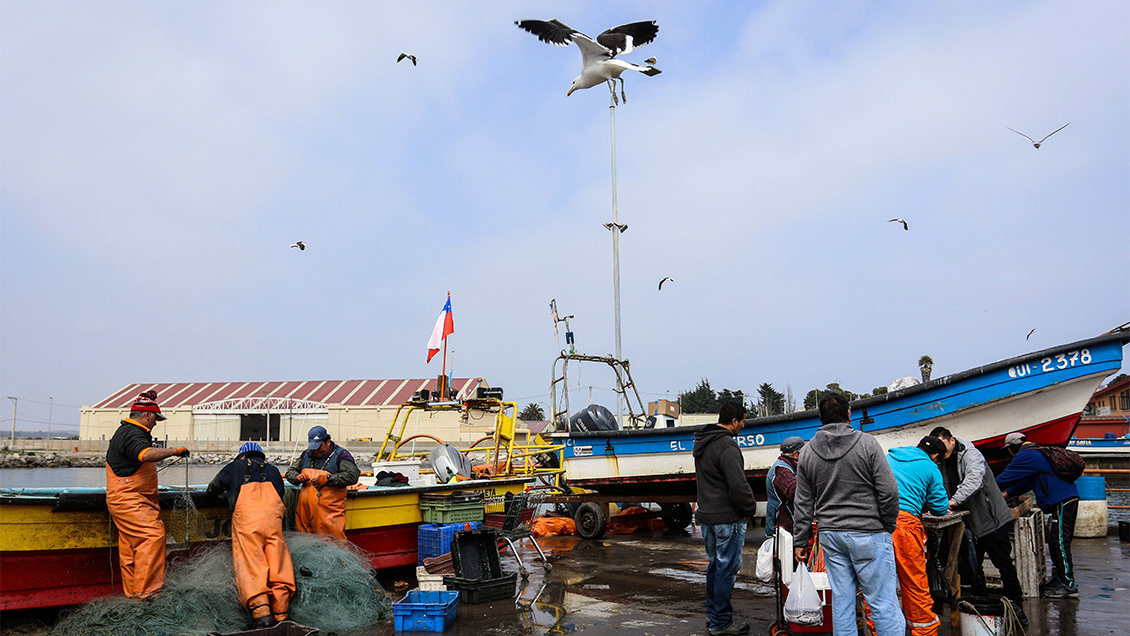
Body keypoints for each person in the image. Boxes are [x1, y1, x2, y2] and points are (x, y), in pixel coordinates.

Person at [793, 392, 902, 636]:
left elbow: (803, 502)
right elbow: (889, 491)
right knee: (882, 604)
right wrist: (886, 523)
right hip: (870, 532)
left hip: (831, 535)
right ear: (849, 414)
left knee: (842, 604)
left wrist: (801, 540)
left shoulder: (808, 452)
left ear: (820, 418)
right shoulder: (867, 443)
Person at [930, 426, 1026, 623]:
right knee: (972, 567)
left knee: (1003, 563)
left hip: (990, 517)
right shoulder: (941, 460)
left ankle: (1017, 606)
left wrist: (952, 501)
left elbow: (974, 479)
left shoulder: (971, 454)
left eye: (944, 445)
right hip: (966, 521)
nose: (942, 451)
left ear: (952, 440)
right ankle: (980, 607)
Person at [104, 390, 189, 598]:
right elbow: (146, 454)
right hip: (129, 499)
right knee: (152, 536)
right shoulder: (133, 433)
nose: (156, 423)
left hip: (128, 499)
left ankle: (134, 593)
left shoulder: (125, 431)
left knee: (131, 546)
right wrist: (174, 451)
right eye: (156, 419)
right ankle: (147, 593)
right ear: (147, 416)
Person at [207, 442, 296, 627]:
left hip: (248, 523)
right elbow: (280, 494)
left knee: (252, 564)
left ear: (241, 456)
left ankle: (261, 614)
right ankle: (281, 614)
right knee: (278, 564)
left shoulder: (234, 467)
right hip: (273, 523)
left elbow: (212, 489)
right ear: (260, 456)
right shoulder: (272, 470)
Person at [692, 401, 756, 636]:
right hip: (727, 518)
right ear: (734, 421)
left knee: (716, 566)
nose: (744, 425)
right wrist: (749, 508)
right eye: (743, 420)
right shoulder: (727, 446)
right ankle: (721, 623)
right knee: (726, 569)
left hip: (707, 516)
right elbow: (738, 486)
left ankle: (713, 616)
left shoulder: (703, 443)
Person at [997, 432, 1080, 598]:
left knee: (1060, 541)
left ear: (1012, 448)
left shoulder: (1026, 454)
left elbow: (1004, 478)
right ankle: (1060, 578)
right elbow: (1026, 482)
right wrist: (1006, 495)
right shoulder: (1037, 452)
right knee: (1056, 540)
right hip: (1064, 498)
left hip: (1062, 499)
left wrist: (987, 488)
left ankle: (1069, 585)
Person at [885, 437, 950, 636]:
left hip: (877, 524)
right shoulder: (931, 468)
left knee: (879, 584)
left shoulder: (889, 458)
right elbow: (940, 508)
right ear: (936, 456)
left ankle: (881, 630)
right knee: (914, 584)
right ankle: (924, 632)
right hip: (905, 527)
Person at [285, 426, 359, 540]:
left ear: (328, 442)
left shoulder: (341, 455)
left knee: (333, 542)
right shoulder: (306, 455)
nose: (316, 451)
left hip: (329, 518)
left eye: (319, 447)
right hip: (305, 517)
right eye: (313, 448)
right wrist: (296, 477)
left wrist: (328, 479)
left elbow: (352, 475)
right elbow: (290, 471)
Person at [767, 437, 805, 535]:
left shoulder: (790, 466)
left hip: (787, 521)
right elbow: (795, 493)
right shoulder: (782, 470)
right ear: (795, 454)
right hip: (783, 524)